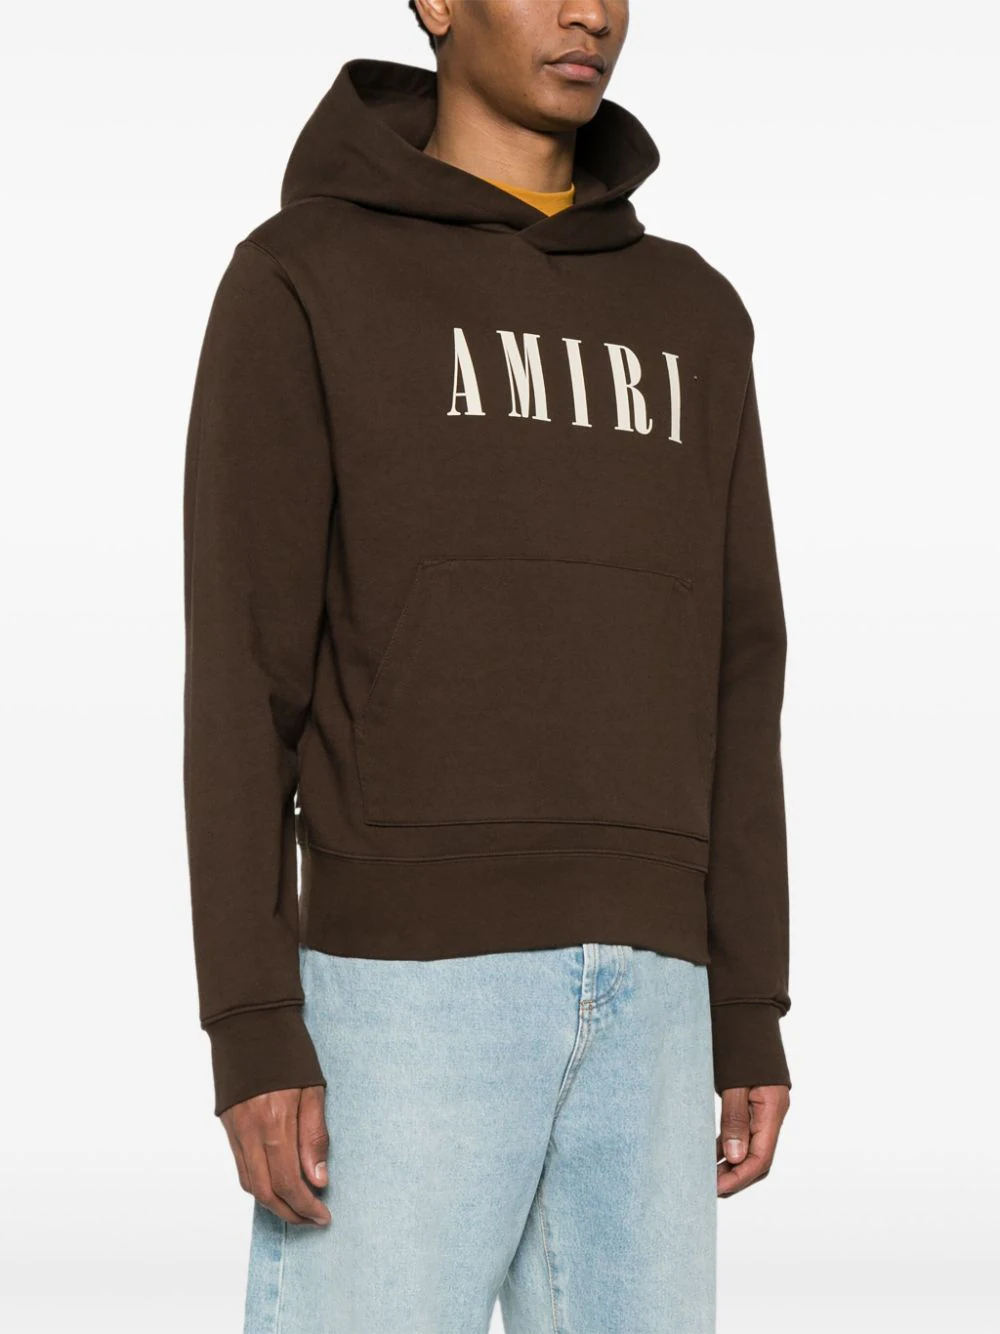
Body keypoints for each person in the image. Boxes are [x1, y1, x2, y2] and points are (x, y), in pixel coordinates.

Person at [182, 2, 792, 1330]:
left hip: (657, 992)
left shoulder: (694, 313)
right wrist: (252, 1018)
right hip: (401, 993)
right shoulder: (305, 276)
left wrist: (748, 997)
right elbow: (241, 672)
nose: (592, 14)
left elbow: (741, 670)